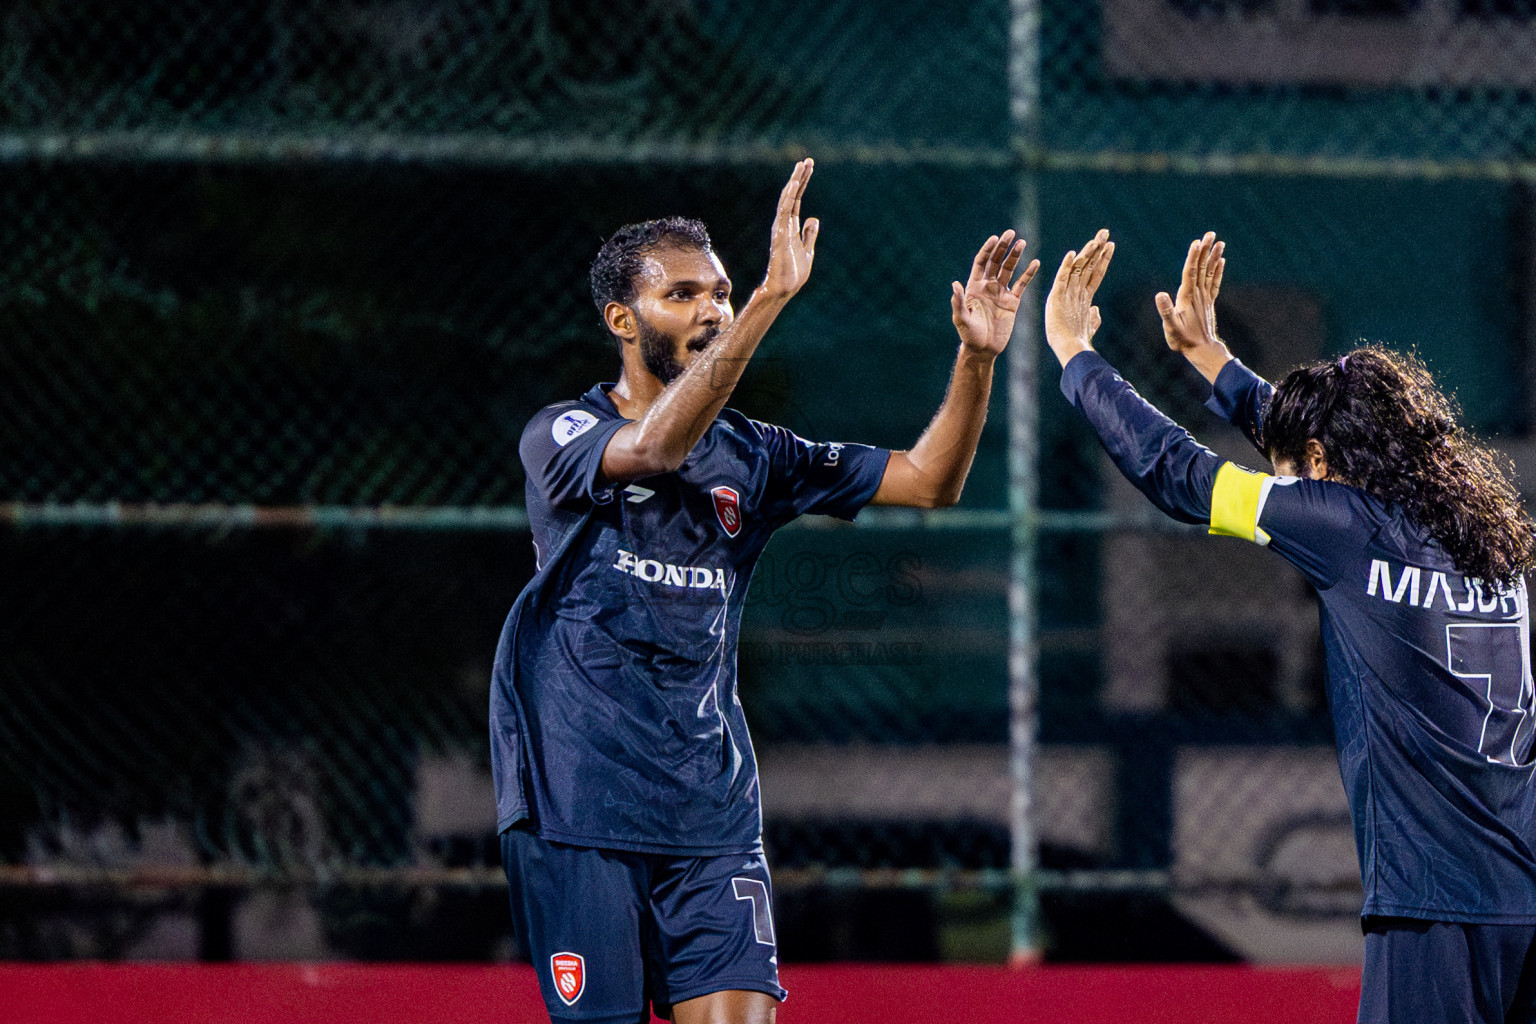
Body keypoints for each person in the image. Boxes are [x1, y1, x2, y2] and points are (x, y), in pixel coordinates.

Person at [492, 158, 1039, 1024]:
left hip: (710, 811)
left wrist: (977, 359)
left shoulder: (757, 456)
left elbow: (931, 480)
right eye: (683, 295)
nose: (711, 308)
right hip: (579, 803)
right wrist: (770, 301)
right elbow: (656, 452)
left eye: (722, 291)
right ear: (620, 319)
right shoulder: (562, 432)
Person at [1043, 229, 1536, 1022]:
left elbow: (1179, 474)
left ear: (1320, 459)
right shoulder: (1480, 539)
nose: (1285, 482)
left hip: (1436, 907)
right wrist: (1212, 358)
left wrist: (1077, 356)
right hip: (1523, 893)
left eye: (1292, 465)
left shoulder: (1342, 524)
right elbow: (1307, 435)